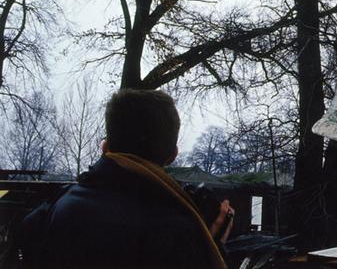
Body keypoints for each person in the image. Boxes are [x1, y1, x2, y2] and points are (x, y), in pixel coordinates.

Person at [15, 89, 230, 269]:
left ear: (105, 147)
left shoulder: (56, 209)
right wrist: (211, 246)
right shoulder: (178, 230)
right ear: (173, 155)